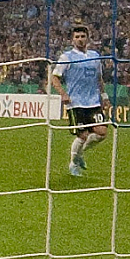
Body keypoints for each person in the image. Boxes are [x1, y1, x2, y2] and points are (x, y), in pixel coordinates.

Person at [50, 25, 110, 177]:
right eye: (77, 37)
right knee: (82, 136)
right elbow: (54, 77)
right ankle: (73, 163)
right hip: (75, 103)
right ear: (72, 40)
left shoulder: (95, 56)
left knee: (102, 132)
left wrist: (104, 97)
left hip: (93, 102)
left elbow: (99, 79)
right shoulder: (66, 57)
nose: (80, 39)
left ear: (87, 38)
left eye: (82, 36)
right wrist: (63, 94)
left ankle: (79, 154)